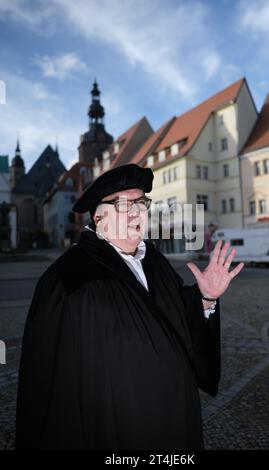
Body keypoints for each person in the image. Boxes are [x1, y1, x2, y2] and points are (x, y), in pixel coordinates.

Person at [15, 163, 244, 450]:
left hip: (176, 424)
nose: (138, 211)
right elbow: (47, 381)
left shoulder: (156, 262)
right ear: (99, 217)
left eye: (142, 202)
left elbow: (180, 325)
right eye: (124, 204)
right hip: (119, 430)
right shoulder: (68, 277)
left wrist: (206, 298)